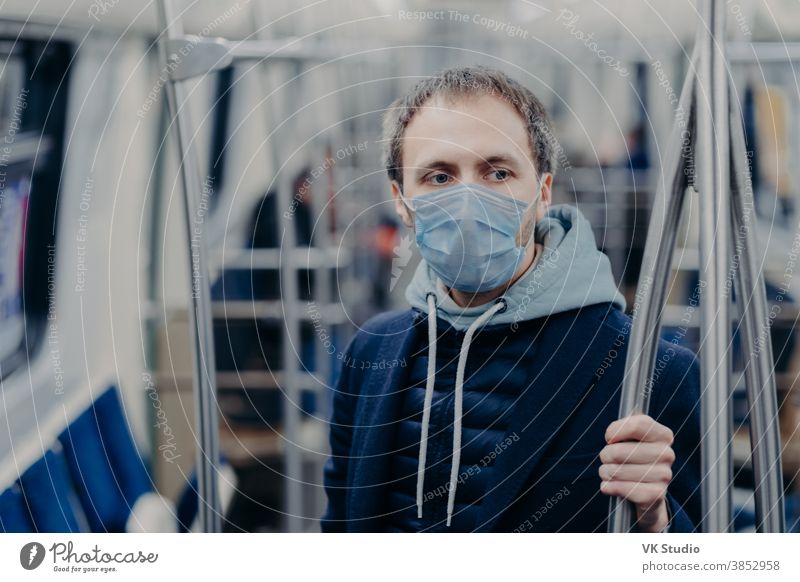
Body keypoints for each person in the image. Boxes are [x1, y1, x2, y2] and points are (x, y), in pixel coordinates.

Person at [321, 65, 701, 533]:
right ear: (401, 201)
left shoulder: (644, 372)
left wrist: (655, 519)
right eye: (439, 177)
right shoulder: (371, 354)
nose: (468, 201)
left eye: (497, 172)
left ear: (542, 193)